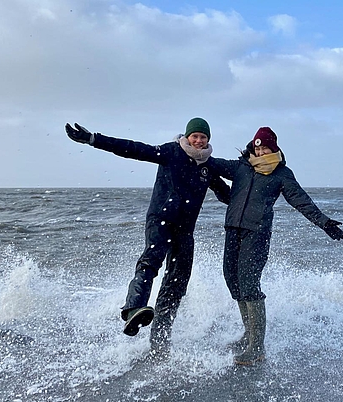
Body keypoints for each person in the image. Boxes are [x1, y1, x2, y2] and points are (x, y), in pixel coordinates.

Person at [65, 118, 231, 361]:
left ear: (208, 140)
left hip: (185, 230)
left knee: (177, 282)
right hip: (160, 219)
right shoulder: (171, 152)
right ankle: (133, 308)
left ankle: (160, 340)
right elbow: (134, 149)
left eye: (203, 137)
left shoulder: (208, 167)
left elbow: (225, 194)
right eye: (195, 136)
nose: (198, 141)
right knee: (151, 262)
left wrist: (251, 205)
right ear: (187, 136)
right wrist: (93, 139)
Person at [208, 126, 343, 366]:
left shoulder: (281, 174)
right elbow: (211, 163)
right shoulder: (241, 166)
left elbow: (300, 200)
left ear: (274, 148)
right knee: (232, 280)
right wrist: (188, 150)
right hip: (233, 229)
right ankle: (248, 336)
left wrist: (324, 222)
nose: (260, 152)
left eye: (265, 147)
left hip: (257, 234)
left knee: (249, 283)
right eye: (257, 147)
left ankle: (257, 348)